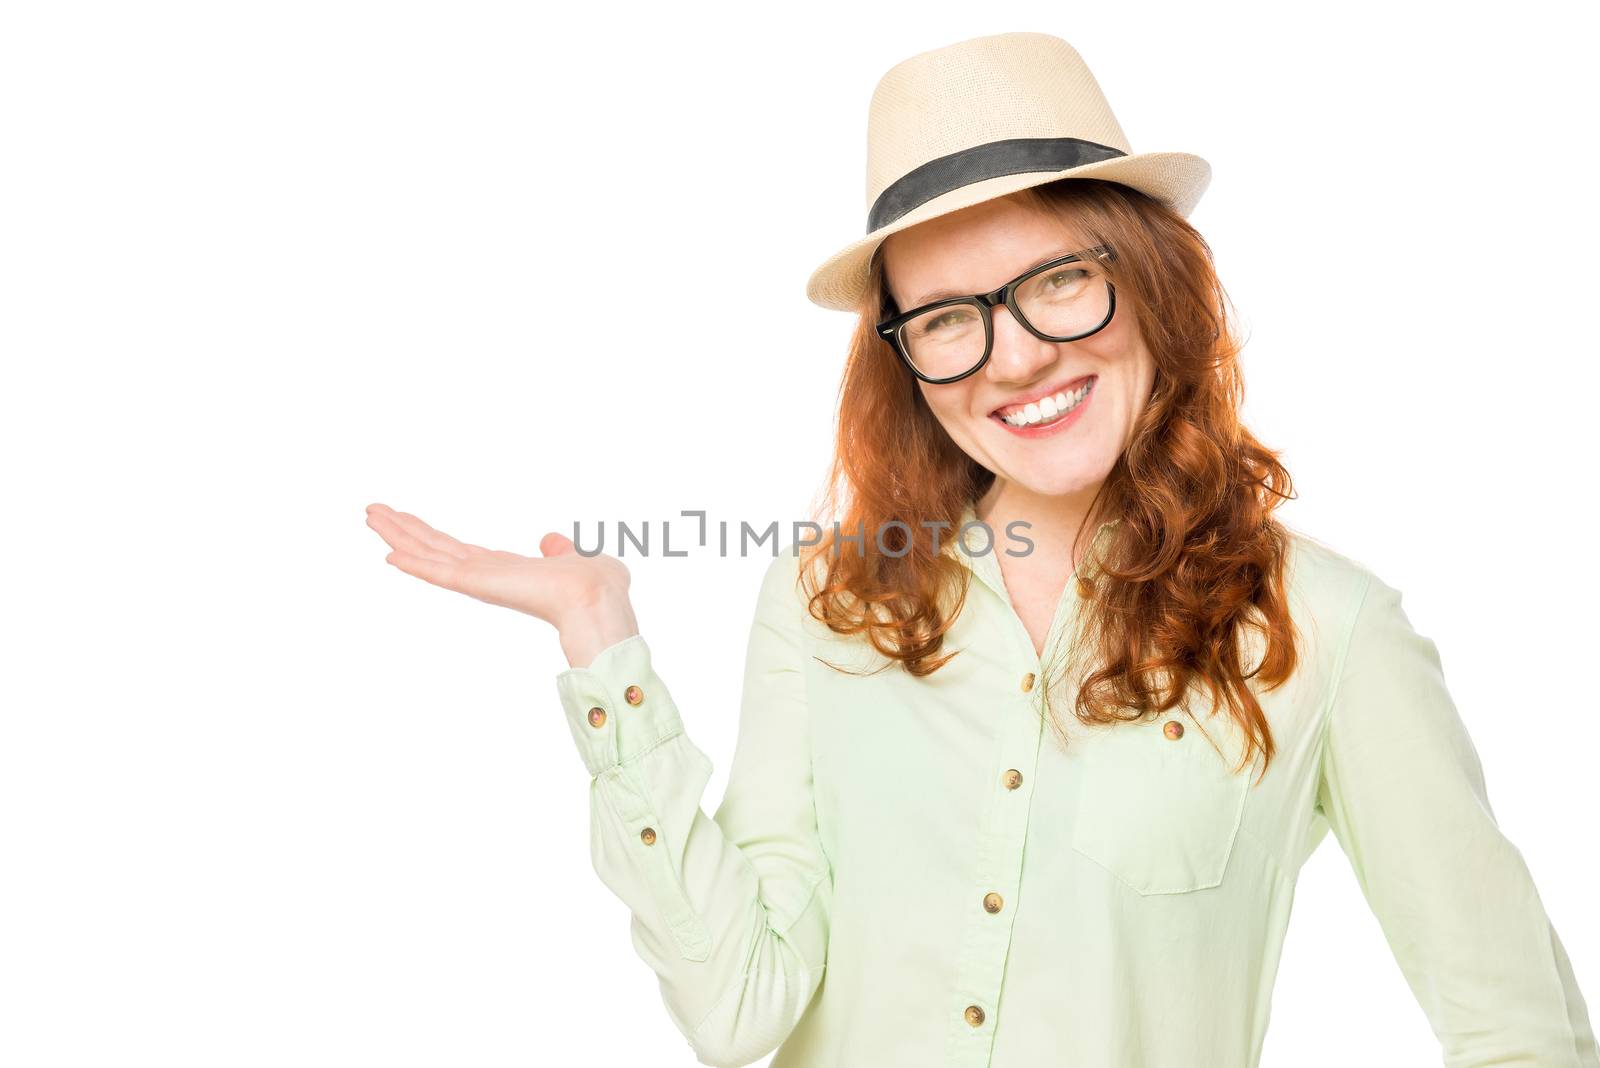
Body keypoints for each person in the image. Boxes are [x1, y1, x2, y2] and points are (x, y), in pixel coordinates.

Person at [364, 31, 1598, 1068]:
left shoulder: (1328, 632)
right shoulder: (822, 600)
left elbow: (1516, 1033)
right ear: (904, 358)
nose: (1012, 359)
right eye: (949, 319)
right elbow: (740, 1006)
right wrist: (601, 642)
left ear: (1156, 281)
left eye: (1057, 283)